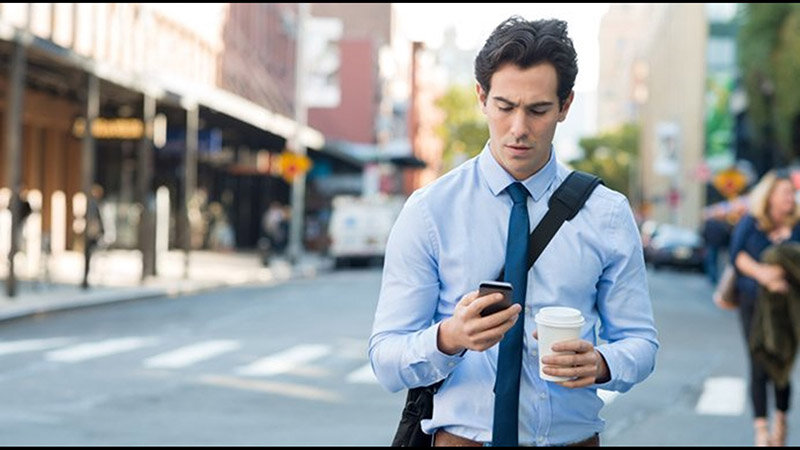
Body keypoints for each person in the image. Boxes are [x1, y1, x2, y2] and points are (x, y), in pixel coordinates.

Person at [368, 16, 659, 447]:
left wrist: (601, 363)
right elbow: (385, 357)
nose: (519, 128)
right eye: (505, 107)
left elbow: (640, 342)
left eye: (538, 110)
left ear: (565, 105)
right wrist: (449, 338)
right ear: (482, 98)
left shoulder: (607, 214)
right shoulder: (430, 211)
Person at [729, 169, 800, 446]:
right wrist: (764, 274)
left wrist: (783, 276)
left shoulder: (796, 225)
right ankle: (761, 431)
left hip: (788, 308)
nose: (790, 198)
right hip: (753, 304)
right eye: (785, 192)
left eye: (792, 194)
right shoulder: (752, 222)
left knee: (781, 363)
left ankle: (780, 422)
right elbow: (737, 256)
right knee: (758, 361)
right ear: (769, 196)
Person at [82, 184, 106, 289]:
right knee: (88, 255)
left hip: (91, 233)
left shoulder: (93, 204)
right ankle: (85, 279)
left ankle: (86, 279)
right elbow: (97, 219)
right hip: (90, 233)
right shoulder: (93, 204)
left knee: (89, 255)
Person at [702, 213, 732, 285]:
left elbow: (704, 233)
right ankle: (715, 278)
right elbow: (727, 235)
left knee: (712, 262)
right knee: (717, 262)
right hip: (719, 246)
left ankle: (713, 278)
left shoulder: (710, 224)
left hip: (712, 245)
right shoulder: (723, 225)